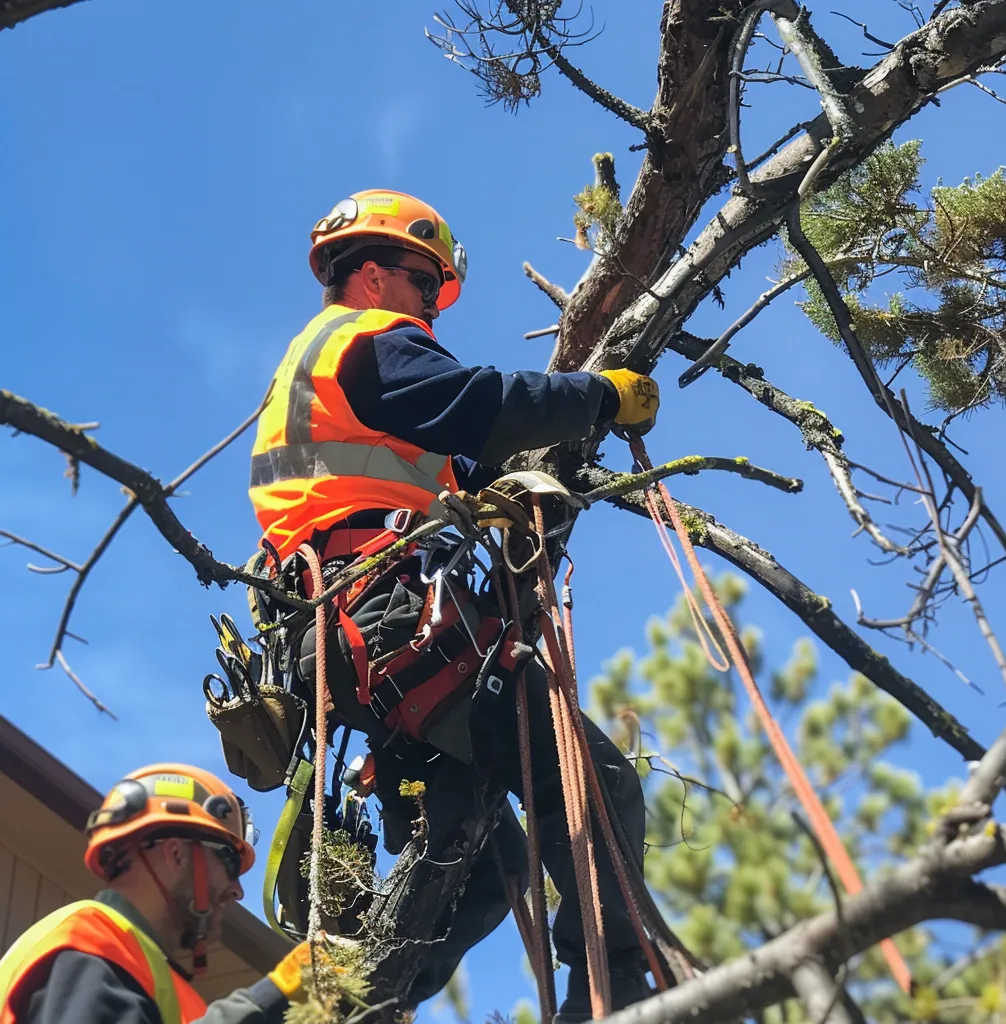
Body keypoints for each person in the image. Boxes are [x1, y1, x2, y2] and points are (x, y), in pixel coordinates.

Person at [247, 190, 661, 1020]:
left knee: (477, 875)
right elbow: (484, 405)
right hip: (383, 619)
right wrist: (601, 397)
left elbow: (438, 461)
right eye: (421, 282)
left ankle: (356, 1010)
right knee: (594, 782)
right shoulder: (368, 341)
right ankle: (614, 995)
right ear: (369, 275)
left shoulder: (320, 378)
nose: (430, 307)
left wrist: (494, 489)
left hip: (336, 634)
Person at [0, 764, 310, 1024]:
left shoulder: (143, 970)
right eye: (229, 863)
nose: (237, 890)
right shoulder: (93, 945)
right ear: (176, 855)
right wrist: (270, 1000)